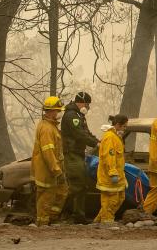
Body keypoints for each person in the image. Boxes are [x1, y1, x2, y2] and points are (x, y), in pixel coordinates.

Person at [61, 91, 99, 224]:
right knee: (77, 186)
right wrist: (95, 143)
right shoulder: (72, 116)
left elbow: (86, 133)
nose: (88, 107)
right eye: (87, 104)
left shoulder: (79, 115)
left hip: (78, 154)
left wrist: (98, 141)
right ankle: (68, 215)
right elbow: (79, 135)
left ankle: (77, 215)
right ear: (81, 102)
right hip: (72, 155)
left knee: (81, 186)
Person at [31, 96, 69, 226]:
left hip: (54, 170)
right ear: (50, 111)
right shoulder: (47, 129)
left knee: (62, 191)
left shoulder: (51, 126)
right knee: (46, 197)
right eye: (57, 111)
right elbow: (48, 153)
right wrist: (56, 170)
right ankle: (43, 223)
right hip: (48, 171)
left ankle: (52, 218)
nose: (59, 114)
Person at [93, 114, 128, 224]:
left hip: (118, 175)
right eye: (124, 127)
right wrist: (113, 173)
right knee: (110, 201)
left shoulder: (116, 137)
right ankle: (106, 222)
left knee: (120, 198)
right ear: (118, 125)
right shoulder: (110, 138)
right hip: (109, 176)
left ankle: (98, 221)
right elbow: (109, 156)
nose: (125, 129)